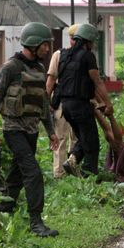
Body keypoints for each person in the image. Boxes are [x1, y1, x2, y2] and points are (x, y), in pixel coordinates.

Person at [0, 22, 60, 237]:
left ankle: (4, 209)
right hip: (13, 130)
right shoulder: (10, 68)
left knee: (17, 174)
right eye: (45, 45)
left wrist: (51, 130)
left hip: (32, 130)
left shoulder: (38, 68)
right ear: (34, 44)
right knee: (33, 172)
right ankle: (36, 222)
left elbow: (43, 103)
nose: (47, 49)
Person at [54, 23, 113, 177]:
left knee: (84, 137)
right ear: (88, 41)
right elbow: (97, 82)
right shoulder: (87, 56)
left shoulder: (65, 55)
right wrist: (108, 103)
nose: (93, 46)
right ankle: (89, 178)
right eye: (92, 43)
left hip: (65, 106)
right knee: (92, 144)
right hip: (80, 105)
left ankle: (72, 159)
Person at [45, 24, 79, 179]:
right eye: (73, 39)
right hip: (61, 104)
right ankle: (59, 173)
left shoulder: (85, 56)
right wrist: (47, 102)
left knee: (76, 138)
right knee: (60, 137)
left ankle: (72, 170)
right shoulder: (58, 55)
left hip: (77, 103)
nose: (74, 42)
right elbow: (51, 79)